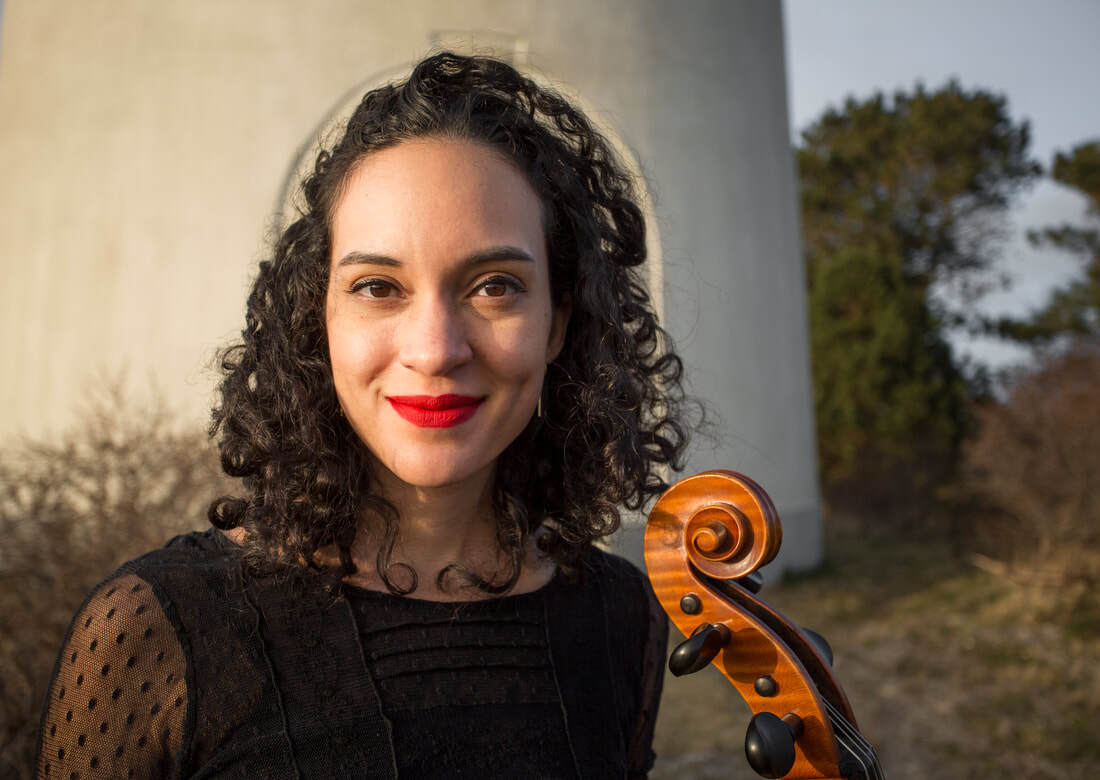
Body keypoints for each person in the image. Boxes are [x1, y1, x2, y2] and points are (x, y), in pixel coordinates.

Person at [35, 51, 691, 779]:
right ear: (319, 319)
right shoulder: (158, 629)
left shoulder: (621, 619)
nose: (434, 350)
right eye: (378, 287)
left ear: (557, 324)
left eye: (495, 286)